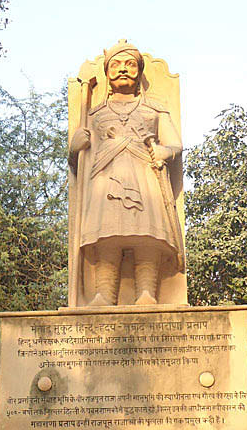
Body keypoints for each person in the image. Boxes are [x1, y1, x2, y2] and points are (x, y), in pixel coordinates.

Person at [69, 41, 184, 306]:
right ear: (108, 73)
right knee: (107, 236)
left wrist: (165, 152)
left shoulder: (154, 109)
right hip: (105, 178)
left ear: (139, 71)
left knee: (147, 235)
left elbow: (175, 143)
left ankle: (147, 294)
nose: (123, 69)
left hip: (144, 175)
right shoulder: (94, 113)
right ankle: (104, 295)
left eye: (130, 64)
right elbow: (78, 165)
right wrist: (74, 150)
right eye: (117, 65)